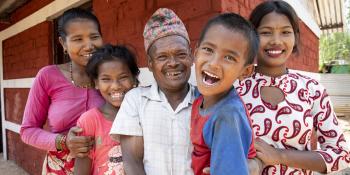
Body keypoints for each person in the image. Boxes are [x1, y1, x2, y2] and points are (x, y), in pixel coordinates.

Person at [236, 1, 350, 174]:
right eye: (266, 32)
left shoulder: (312, 90)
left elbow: (341, 155)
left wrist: (279, 156)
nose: (276, 41)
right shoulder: (235, 88)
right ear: (251, 36)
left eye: (285, 32)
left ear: (295, 37)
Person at [109, 8, 195, 175]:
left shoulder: (205, 101)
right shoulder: (136, 100)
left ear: (191, 57)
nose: (173, 63)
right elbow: (132, 162)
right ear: (150, 63)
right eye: (162, 57)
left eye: (181, 54)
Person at [20, 8, 104, 174]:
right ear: (63, 44)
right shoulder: (47, 76)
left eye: (94, 37)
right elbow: (27, 130)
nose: (89, 46)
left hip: (105, 167)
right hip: (60, 169)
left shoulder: (112, 76)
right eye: (78, 39)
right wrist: (64, 141)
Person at [191, 13, 259, 175]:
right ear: (196, 52)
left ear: (246, 71)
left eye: (229, 57)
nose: (214, 63)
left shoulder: (227, 115)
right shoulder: (200, 98)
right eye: (208, 49)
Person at [73, 44, 140, 175]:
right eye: (106, 79)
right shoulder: (89, 121)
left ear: (134, 78)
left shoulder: (144, 115)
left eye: (123, 77)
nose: (115, 86)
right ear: (96, 83)